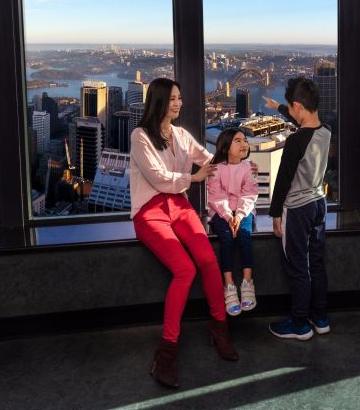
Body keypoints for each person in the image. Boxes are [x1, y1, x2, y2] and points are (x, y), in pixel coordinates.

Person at [130, 78, 238, 389]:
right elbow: (159, 178)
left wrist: (237, 164)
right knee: (185, 270)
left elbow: (208, 160)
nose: (178, 103)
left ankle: (219, 329)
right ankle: (166, 352)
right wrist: (194, 177)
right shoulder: (140, 137)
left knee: (207, 260)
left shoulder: (180, 134)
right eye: (173, 99)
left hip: (178, 206)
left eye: (180, 98)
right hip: (150, 212)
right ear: (159, 101)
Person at [264, 77, 332, 341]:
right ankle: (320, 317)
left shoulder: (294, 142)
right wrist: (279, 109)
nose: (290, 112)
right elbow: (304, 126)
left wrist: (275, 214)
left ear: (298, 106)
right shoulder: (325, 130)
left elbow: (282, 181)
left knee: (297, 266)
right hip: (319, 204)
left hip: (298, 208)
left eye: (290, 108)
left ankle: (299, 323)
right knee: (316, 261)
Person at [207, 127, 259, 316]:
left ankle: (247, 281)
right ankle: (228, 284)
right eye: (238, 141)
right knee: (227, 238)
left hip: (244, 212)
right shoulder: (216, 169)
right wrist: (229, 217)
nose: (244, 144)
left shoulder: (249, 167)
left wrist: (239, 215)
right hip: (221, 214)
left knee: (245, 237)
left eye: (245, 140)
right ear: (226, 146)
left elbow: (250, 193)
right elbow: (216, 197)